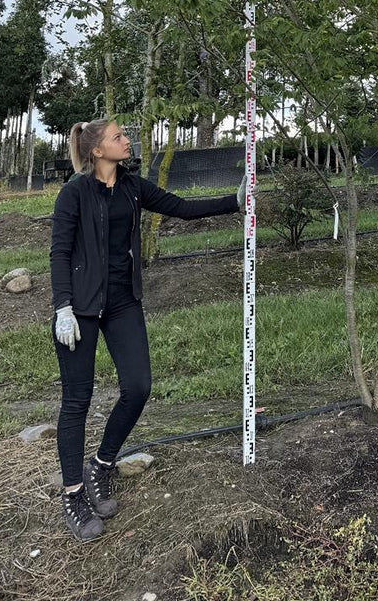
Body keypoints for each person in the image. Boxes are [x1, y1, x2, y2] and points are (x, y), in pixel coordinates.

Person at [50, 118, 244, 542]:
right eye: (118, 136)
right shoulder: (74, 193)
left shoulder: (133, 186)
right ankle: (73, 493)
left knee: (138, 387)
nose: (127, 141)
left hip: (122, 303)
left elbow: (181, 206)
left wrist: (235, 200)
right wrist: (62, 306)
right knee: (76, 401)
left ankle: (101, 464)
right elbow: (59, 251)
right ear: (97, 150)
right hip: (78, 309)